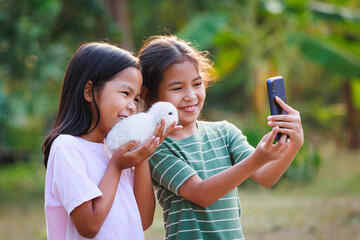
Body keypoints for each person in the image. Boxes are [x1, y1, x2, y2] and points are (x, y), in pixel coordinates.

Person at [138, 35, 304, 239]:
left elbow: (265, 177)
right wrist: (258, 158)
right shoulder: (156, 146)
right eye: (177, 88)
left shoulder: (225, 132)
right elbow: (201, 194)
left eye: (197, 84)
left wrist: (295, 142)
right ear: (148, 95)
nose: (191, 95)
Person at [42, 42, 179, 240]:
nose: (132, 106)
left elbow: (143, 220)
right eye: (125, 94)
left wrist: (142, 155)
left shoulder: (116, 150)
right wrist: (115, 167)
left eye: (136, 99)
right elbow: (89, 226)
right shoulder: (67, 148)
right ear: (89, 91)